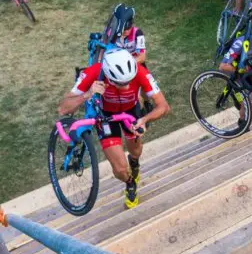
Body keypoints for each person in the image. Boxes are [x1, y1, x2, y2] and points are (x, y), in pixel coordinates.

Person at [59, 48, 170, 209]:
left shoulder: (140, 72)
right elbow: (63, 109)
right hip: (105, 116)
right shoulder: (94, 72)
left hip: (131, 113)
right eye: (120, 83)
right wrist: (88, 93)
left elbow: (163, 106)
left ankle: (135, 162)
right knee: (120, 169)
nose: (126, 87)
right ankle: (130, 183)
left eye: (129, 82)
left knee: (136, 151)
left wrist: (144, 119)